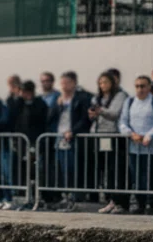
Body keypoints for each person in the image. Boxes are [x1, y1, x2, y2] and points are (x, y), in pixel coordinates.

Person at [43, 71, 92, 211]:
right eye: (62, 83)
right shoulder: (58, 99)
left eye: (67, 83)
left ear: (74, 83)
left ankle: (75, 198)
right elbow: (50, 118)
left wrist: (73, 131)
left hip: (73, 139)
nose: (64, 86)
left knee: (73, 170)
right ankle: (65, 197)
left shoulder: (81, 98)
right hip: (59, 138)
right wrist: (57, 106)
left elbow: (84, 119)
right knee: (61, 170)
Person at [120, 75, 153, 215]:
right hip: (134, 146)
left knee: (150, 174)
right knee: (136, 175)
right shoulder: (130, 102)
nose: (140, 89)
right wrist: (131, 134)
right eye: (137, 86)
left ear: (149, 87)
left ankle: (152, 203)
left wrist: (150, 134)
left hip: (151, 146)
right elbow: (123, 122)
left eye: (143, 86)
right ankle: (140, 203)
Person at [90, 71, 128, 214]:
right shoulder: (97, 97)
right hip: (98, 135)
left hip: (111, 135)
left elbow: (114, 113)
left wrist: (100, 111)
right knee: (103, 169)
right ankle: (110, 200)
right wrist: (93, 114)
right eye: (100, 83)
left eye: (105, 82)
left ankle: (120, 201)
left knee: (114, 169)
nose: (103, 85)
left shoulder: (120, 96)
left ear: (112, 83)